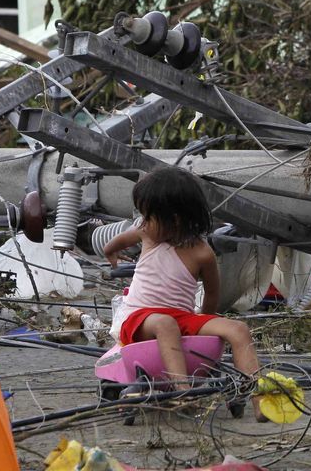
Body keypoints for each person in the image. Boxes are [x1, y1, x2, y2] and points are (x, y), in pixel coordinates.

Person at [104, 167, 268, 422]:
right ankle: (183, 392)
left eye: (150, 216)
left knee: (238, 329)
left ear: (176, 220)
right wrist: (110, 253)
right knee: (166, 323)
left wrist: (206, 322)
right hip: (138, 316)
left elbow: (213, 293)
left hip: (181, 316)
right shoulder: (147, 234)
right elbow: (115, 242)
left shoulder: (203, 253)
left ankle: (260, 397)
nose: (143, 222)